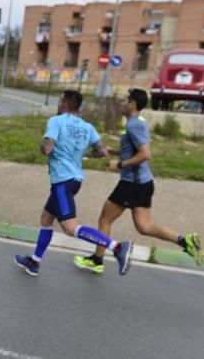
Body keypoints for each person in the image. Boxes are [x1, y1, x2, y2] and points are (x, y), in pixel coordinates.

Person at [74, 88, 204, 274]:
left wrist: (120, 164)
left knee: (105, 219)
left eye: (125, 100)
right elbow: (137, 149)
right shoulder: (138, 122)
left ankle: (97, 259)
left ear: (132, 104)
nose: (122, 103)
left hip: (132, 184)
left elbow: (145, 154)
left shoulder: (133, 125)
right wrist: (115, 152)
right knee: (144, 227)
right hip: (143, 183)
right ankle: (185, 240)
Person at [14, 90, 133, 277]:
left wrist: (44, 146)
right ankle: (34, 261)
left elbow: (47, 148)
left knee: (70, 228)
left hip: (62, 181)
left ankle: (117, 247)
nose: (58, 103)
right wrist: (84, 154)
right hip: (74, 180)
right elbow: (102, 151)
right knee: (46, 218)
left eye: (60, 100)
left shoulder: (56, 121)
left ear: (65, 104)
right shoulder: (88, 127)